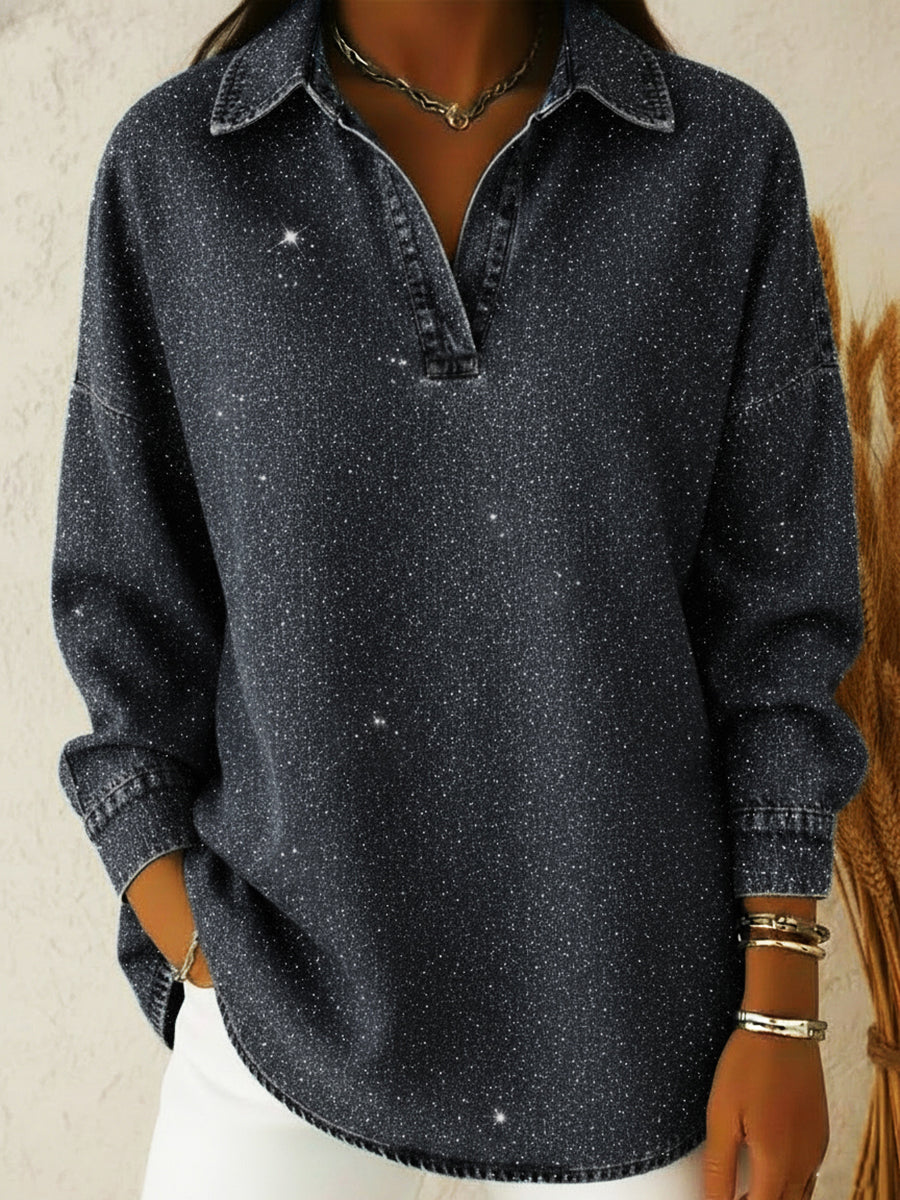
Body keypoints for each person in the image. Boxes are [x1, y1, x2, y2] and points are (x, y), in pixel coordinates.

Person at [50, 0, 868, 1196]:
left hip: (646, 1066)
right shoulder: (181, 169)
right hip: (275, 1056)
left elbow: (779, 627)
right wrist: (192, 939)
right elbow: (125, 598)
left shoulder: (716, 162)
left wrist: (783, 1005)